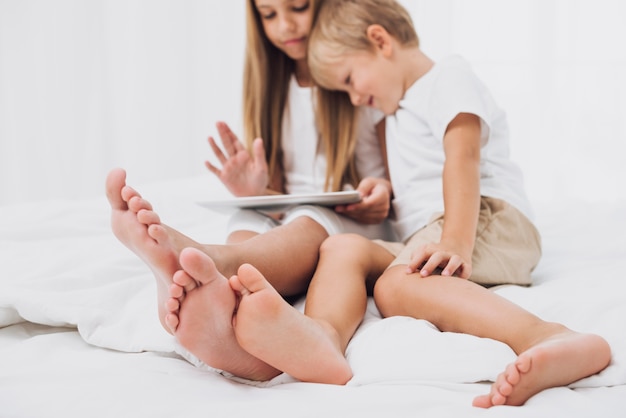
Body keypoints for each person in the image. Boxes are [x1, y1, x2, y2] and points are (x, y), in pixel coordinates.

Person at [170, 0, 611, 407]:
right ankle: (321, 337)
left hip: (488, 220)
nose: (356, 99)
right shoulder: (398, 113)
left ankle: (550, 336)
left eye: (350, 82)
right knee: (340, 249)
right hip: (434, 230)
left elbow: (464, 157)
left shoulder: (447, 78)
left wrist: (456, 240)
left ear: (380, 41)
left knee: (397, 285)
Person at [106, 0, 393, 382]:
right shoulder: (275, 84)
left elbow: (400, 177)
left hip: (359, 221)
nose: (284, 25)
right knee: (245, 215)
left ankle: (213, 262)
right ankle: (226, 307)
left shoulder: (362, 78)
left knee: (311, 218)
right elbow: (285, 196)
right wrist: (257, 189)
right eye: (269, 14)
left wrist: (384, 192)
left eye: (298, 7)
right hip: (296, 218)